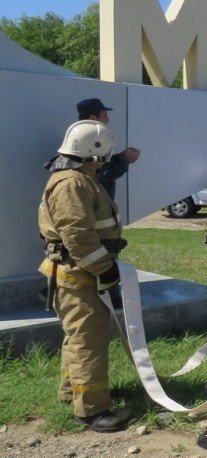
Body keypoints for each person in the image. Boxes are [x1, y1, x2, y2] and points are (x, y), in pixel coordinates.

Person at [38, 120, 130, 432]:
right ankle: (92, 410)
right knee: (89, 339)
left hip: (80, 272)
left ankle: (72, 393)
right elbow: (77, 236)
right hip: (80, 274)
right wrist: (105, 267)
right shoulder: (71, 184)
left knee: (78, 337)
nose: (106, 157)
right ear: (93, 150)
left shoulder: (80, 179)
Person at [76, 98, 141, 200]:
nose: (108, 119)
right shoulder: (91, 140)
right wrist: (125, 161)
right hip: (98, 208)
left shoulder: (79, 136)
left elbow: (103, 164)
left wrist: (120, 157)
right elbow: (103, 175)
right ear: (93, 118)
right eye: (105, 115)